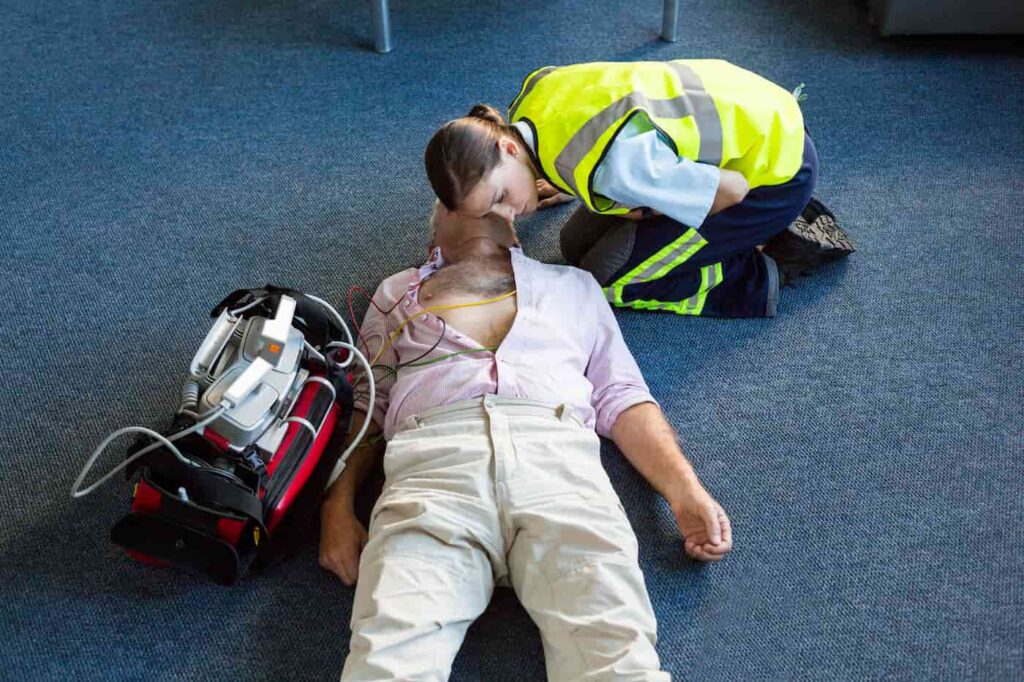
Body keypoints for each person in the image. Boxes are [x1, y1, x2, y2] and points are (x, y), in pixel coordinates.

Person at [319, 206, 732, 681]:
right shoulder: (397, 293)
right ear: (436, 225)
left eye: (494, 195)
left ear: (516, 215)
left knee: (618, 660)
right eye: (460, 200)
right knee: (386, 663)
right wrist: (337, 506)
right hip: (434, 469)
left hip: (559, 466)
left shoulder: (572, 286)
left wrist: (684, 490)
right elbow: (369, 401)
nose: (478, 208)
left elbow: (623, 395)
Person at [424, 59, 855, 319]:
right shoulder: (530, 101)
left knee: (604, 283)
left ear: (505, 147)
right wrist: (564, 179)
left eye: (501, 198)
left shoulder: (616, 168)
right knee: (573, 243)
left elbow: (733, 189)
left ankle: (767, 266)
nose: (510, 214)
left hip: (772, 177)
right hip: (759, 109)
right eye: (493, 213)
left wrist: (649, 207)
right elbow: (607, 118)